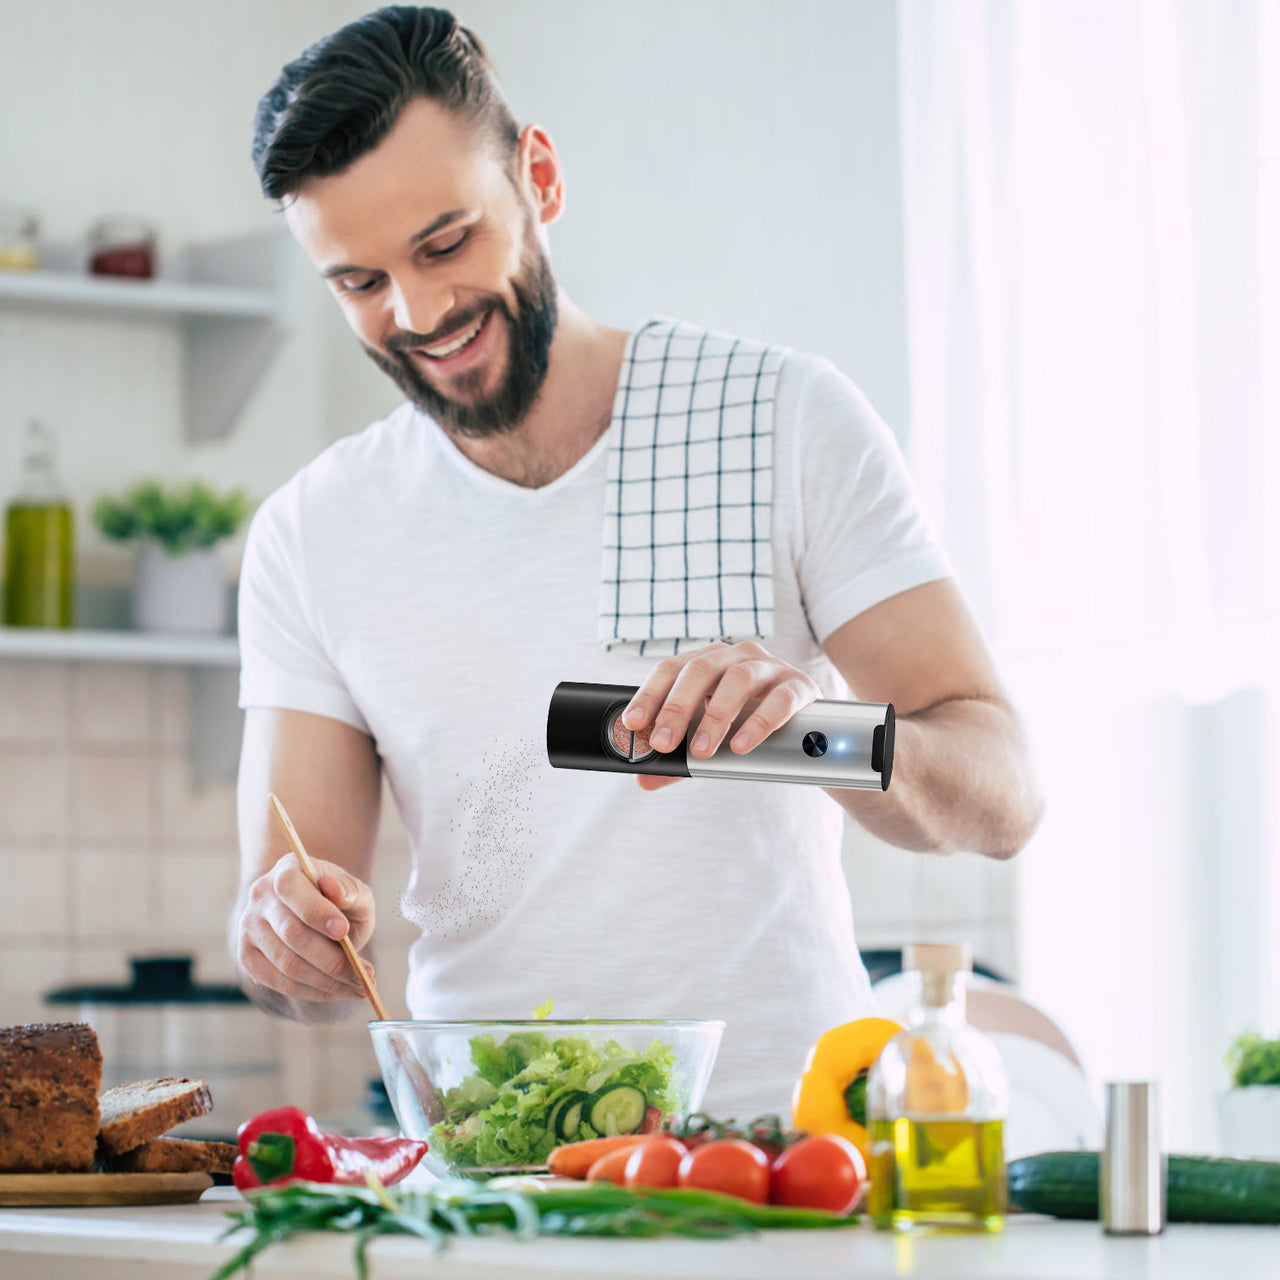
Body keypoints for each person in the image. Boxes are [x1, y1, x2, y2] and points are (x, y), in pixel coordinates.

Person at [230, 5, 1044, 1116]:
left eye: (443, 242)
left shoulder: (779, 418)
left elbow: (1002, 797)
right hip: (486, 1151)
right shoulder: (311, 531)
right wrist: (280, 937)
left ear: (540, 180)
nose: (417, 312)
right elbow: (301, 951)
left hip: (776, 1145)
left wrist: (818, 732)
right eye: (358, 283)